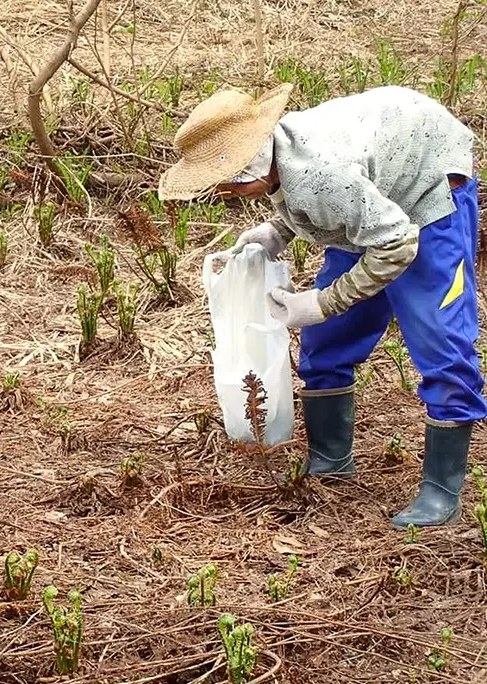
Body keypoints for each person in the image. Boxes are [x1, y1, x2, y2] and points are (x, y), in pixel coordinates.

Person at [159, 83, 484, 528]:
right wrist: (278, 230)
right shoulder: (283, 158)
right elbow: (331, 198)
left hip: (426, 190)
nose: (224, 192)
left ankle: (441, 491)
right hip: (375, 203)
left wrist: (323, 302)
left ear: (247, 166)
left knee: (441, 344)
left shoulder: (320, 175)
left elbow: (395, 243)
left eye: (228, 184)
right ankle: (330, 460)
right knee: (326, 343)